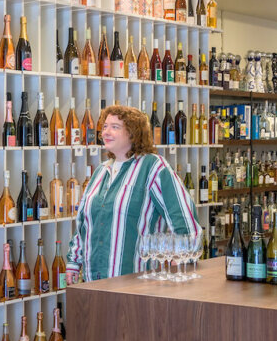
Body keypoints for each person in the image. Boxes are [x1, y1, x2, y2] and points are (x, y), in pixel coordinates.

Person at [65, 104, 199, 282]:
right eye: (104, 126)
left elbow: (183, 217)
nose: (105, 132)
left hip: (135, 286)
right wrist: (74, 262)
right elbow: (84, 223)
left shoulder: (153, 166)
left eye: (115, 127)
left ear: (133, 133)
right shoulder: (100, 171)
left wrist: (183, 259)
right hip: (94, 281)